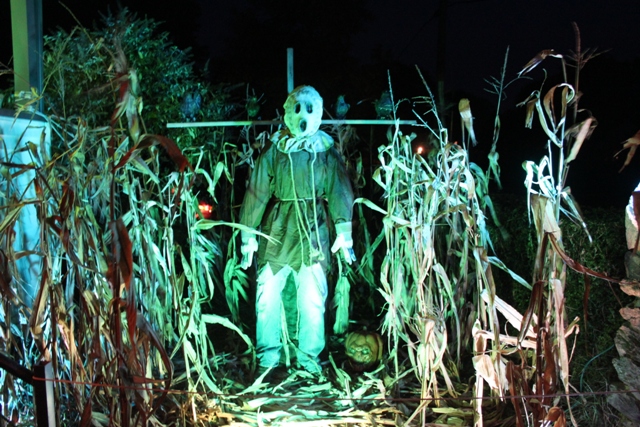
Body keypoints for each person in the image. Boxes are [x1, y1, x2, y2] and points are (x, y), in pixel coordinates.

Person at [239, 85, 355, 375]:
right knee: (267, 295)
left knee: (312, 298)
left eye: (309, 109)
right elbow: (257, 191)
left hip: (312, 230)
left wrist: (344, 231)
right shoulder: (275, 149)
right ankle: (267, 358)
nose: (303, 116)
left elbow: (339, 189)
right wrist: (248, 235)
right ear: (289, 111)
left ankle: (309, 359)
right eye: (298, 109)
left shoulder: (325, 151)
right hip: (277, 229)